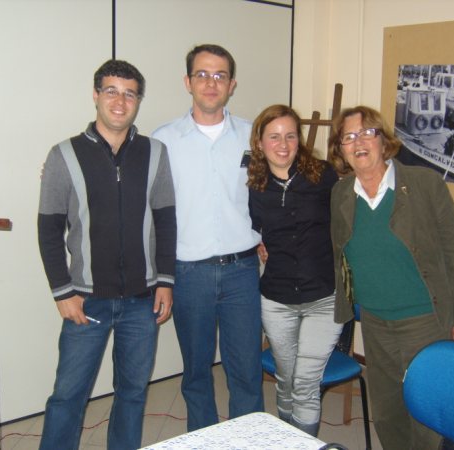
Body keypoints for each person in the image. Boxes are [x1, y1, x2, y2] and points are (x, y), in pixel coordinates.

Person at [37, 59, 176, 450]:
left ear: (138, 101)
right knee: (68, 396)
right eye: (111, 91)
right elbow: (48, 229)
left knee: (132, 393)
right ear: (96, 95)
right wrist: (62, 292)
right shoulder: (63, 155)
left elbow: (166, 221)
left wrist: (166, 281)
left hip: (142, 300)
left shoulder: (155, 153)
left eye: (130, 94)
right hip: (86, 299)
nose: (120, 101)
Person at [328, 105, 454, 450]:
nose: (359, 142)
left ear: (384, 141)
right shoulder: (341, 193)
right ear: (341, 149)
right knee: (387, 409)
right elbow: (338, 252)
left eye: (367, 133)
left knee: (426, 412)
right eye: (349, 137)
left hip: (424, 320)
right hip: (375, 320)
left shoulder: (424, 184)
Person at [152, 44, 263, 431]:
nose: (211, 83)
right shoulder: (163, 140)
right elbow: (144, 205)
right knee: (197, 373)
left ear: (232, 84)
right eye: (202, 74)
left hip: (242, 272)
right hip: (188, 274)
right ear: (188, 82)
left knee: (246, 371)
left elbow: (273, 191)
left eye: (220, 75)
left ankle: (247, 440)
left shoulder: (253, 136)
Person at [247, 104, 344, 437]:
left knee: (305, 383)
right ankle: (287, 438)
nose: (283, 144)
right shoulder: (254, 186)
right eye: (274, 136)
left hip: (324, 299)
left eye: (290, 136)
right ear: (259, 143)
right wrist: (257, 245)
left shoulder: (323, 175)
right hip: (277, 300)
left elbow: (346, 222)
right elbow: (249, 228)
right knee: (286, 379)